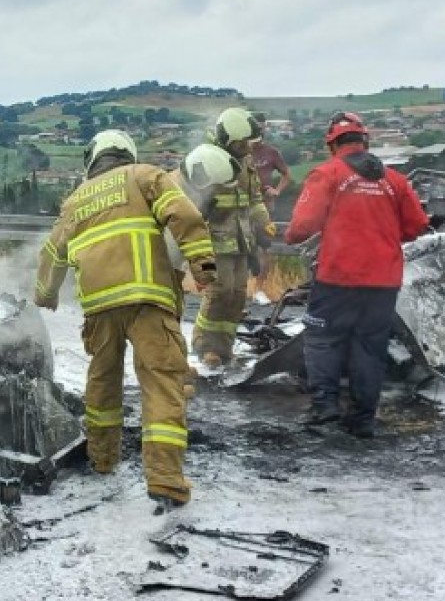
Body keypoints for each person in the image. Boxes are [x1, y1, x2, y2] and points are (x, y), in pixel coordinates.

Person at [34, 130, 216, 513]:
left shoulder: (75, 200)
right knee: (162, 384)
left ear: (93, 159)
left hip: (100, 308)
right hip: (148, 300)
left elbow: (52, 253)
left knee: (102, 385)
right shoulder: (144, 175)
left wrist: (46, 294)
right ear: (126, 153)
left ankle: (103, 459)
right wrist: (202, 264)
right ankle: (165, 480)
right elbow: (182, 214)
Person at [283, 112, 429, 438]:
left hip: (338, 278)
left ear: (332, 144)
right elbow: (418, 226)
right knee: (369, 347)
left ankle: (325, 408)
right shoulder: (395, 180)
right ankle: (362, 419)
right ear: (365, 141)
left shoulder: (328, 174)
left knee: (323, 340)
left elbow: (301, 227)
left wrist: (289, 237)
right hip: (383, 282)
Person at [177, 108, 274, 369]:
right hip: (214, 241)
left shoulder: (246, 162)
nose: (247, 149)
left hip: (242, 240)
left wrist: (264, 226)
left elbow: (254, 200)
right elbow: (191, 205)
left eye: (249, 144)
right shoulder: (206, 160)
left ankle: (225, 346)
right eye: (242, 143)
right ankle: (204, 346)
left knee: (237, 295)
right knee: (219, 292)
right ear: (228, 138)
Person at [249, 113, 293, 305]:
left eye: (262, 127)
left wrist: (277, 191)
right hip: (241, 207)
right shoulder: (239, 152)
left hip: (265, 209)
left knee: (264, 248)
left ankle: (259, 289)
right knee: (240, 249)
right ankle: (240, 288)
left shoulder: (271, 152)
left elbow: (286, 174)